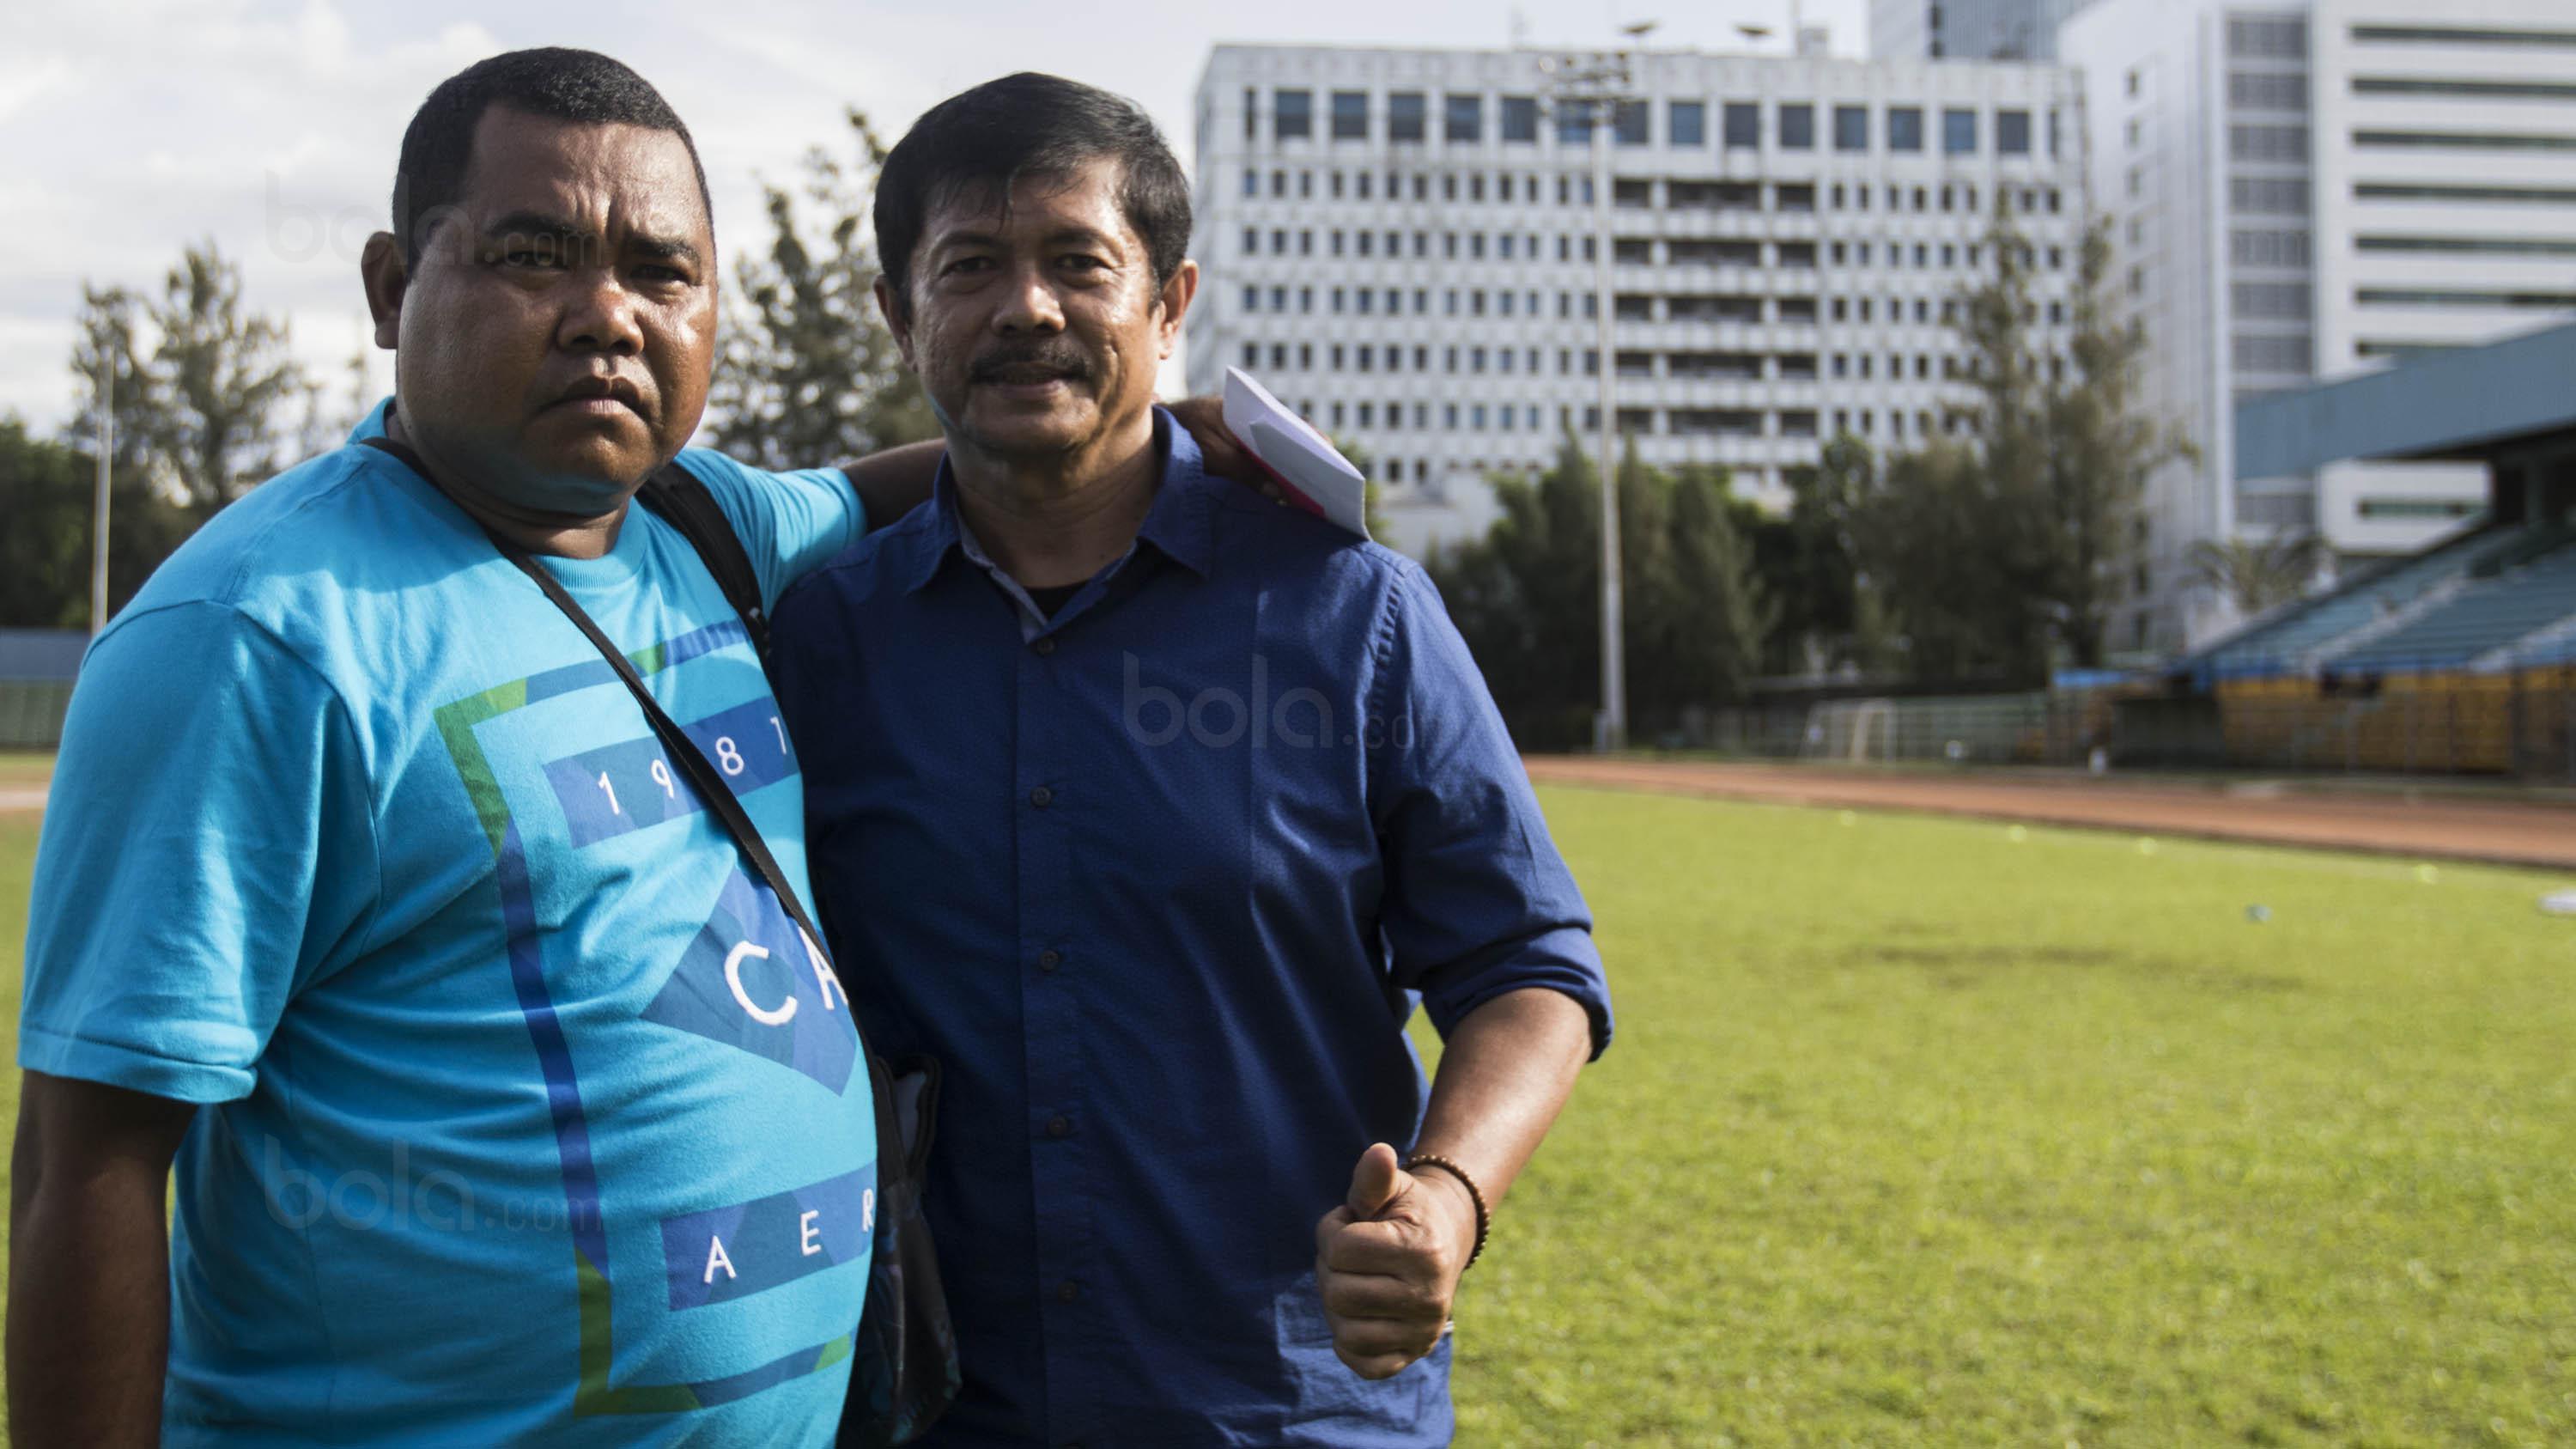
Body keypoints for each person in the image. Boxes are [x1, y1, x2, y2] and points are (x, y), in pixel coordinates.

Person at [8, 48, 1256, 1447]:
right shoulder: (256, 634)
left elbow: (927, 481)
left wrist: (1156, 436)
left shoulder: (705, 531)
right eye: (533, 256)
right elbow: (87, 1164)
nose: (607, 315)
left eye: (662, 273)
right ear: (390, 288)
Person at [770, 72, 1613, 1447]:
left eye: (1078, 262)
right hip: (939, 1412)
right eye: (969, 267)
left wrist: (1448, 1201)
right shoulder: (818, 642)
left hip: (1286, 1413)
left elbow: (1531, 967)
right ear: (897, 314)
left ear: (1172, 303)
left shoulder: (1350, 613)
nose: (1027, 307)